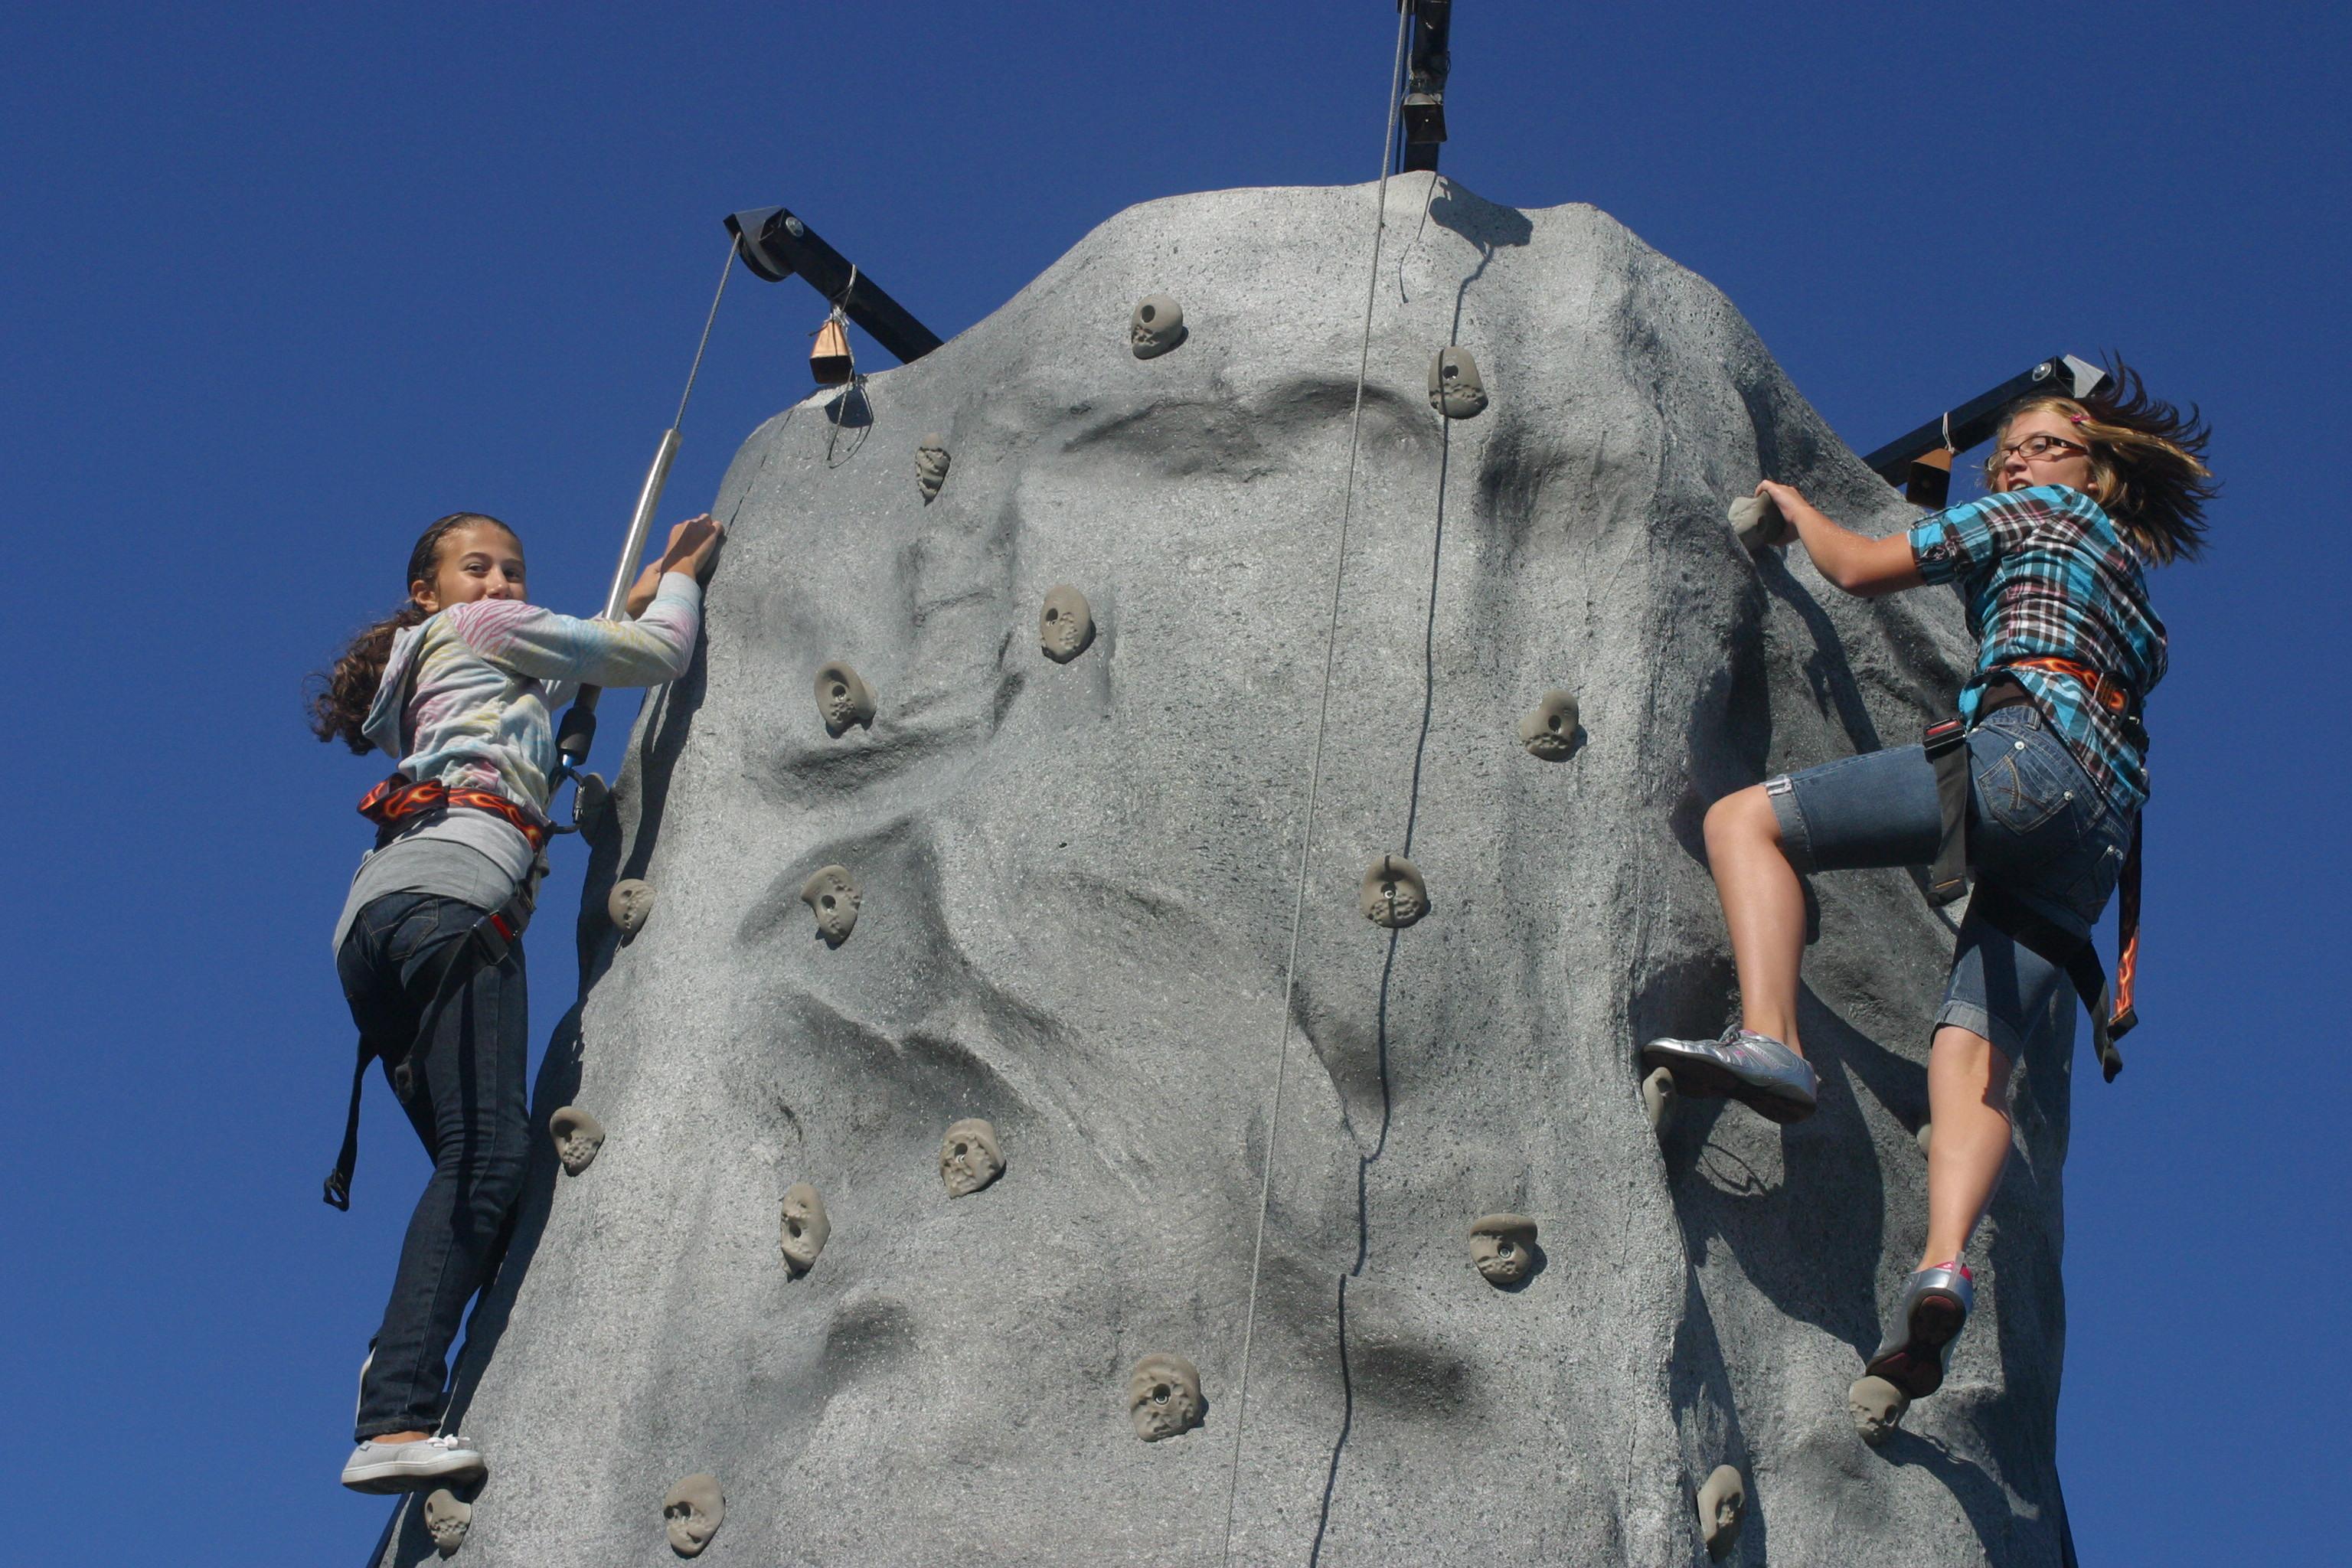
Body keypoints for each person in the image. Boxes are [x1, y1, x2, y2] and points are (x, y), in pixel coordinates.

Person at [1640, 361, 2213, 1403]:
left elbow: (1858, 568)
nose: (2018, 464)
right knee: (1975, 1059)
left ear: (2090, 473)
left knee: (1745, 823)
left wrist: (1791, 502)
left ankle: (1770, 1039)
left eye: (2045, 447)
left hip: (2025, 760)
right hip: (2096, 838)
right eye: (2008, 453)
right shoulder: (2134, 593)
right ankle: (1944, 1265)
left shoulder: (2036, 516)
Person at [307, 508, 722, 1492]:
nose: (499, 584)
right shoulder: (486, 631)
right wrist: (684, 578)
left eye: (513, 570)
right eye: (477, 567)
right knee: (489, 1158)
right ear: (431, 591)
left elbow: (553, 672)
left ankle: (398, 1347)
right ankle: (396, 1417)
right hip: (457, 899)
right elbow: (656, 653)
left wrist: (614, 609)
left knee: (477, 1178)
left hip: (375, 926)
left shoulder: (421, 671)